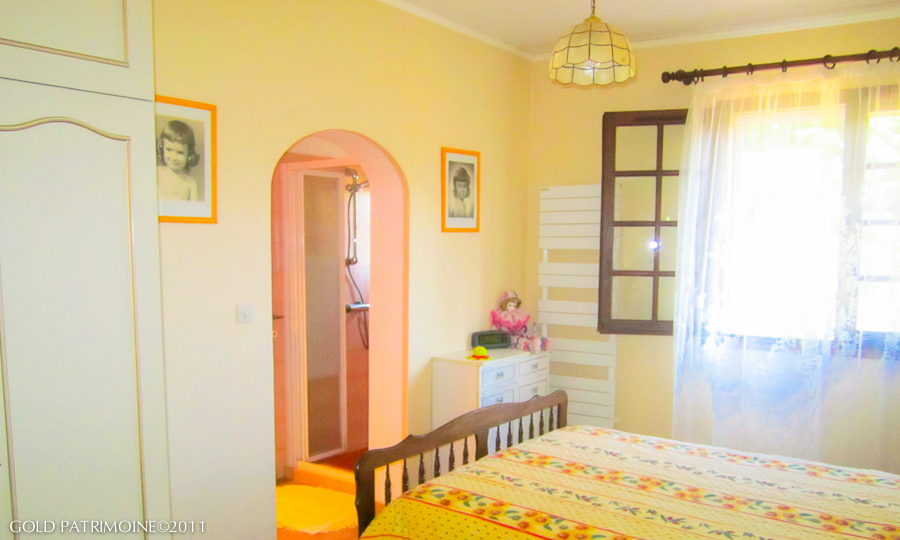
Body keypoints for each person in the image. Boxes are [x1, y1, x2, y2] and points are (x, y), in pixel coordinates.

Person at [156, 120, 200, 201]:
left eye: (180, 152)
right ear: (162, 147)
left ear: (189, 154)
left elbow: (195, 208)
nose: (174, 158)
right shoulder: (157, 173)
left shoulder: (191, 183)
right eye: (169, 149)